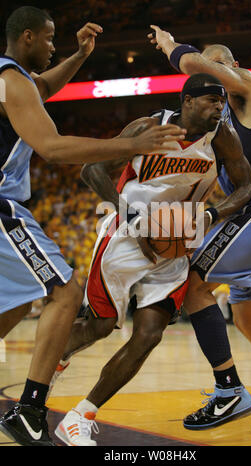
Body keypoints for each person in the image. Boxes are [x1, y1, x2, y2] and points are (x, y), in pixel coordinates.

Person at [0, 7, 185, 447]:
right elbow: (52, 147)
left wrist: (80, 56)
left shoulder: (14, 80)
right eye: (48, 39)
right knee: (65, 292)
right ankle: (28, 411)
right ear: (26, 37)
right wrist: (132, 144)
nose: (52, 47)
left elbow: (43, 87)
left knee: (13, 304)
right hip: (3, 205)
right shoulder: (11, 81)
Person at [51, 72, 251, 446]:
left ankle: (80, 416)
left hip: (176, 245)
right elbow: (91, 169)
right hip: (125, 239)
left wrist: (210, 215)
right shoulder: (150, 127)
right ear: (189, 101)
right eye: (213, 102)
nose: (219, 109)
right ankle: (53, 363)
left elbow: (246, 185)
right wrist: (131, 220)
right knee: (100, 327)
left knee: (149, 335)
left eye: (223, 103)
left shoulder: (222, 138)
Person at [147, 25, 251, 433]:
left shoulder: (249, 88)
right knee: (248, 319)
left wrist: (169, 46)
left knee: (194, 284)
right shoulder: (217, 124)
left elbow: (196, 63)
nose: (212, 73)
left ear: (234, 67)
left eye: (219, 65)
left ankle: (228, 391)